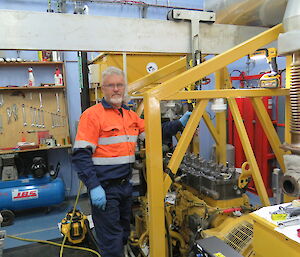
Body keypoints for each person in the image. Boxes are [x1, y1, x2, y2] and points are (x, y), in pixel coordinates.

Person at [72, 66, 191, 257]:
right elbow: (80, 155)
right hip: (105, 189)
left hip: (125, 187)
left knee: (123, 233)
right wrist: (94, 186)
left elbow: (154, 132)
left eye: (120, 85)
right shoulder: (92, 115)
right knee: (111, 241)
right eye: (111, 85)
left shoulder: (129, 115)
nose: (116, 89)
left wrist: (179, 123)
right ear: (103, 88)